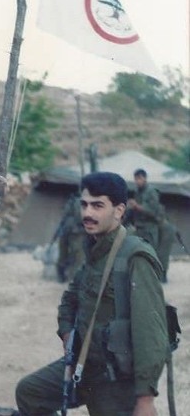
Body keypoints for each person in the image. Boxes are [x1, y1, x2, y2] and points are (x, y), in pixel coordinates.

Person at [15, 172, 168, 416]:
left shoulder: (134, 256)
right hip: (84, 365)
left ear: (119, 210)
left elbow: (150, 332)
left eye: (97, 206)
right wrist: (67, 333)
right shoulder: (96, 249)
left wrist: (145, 398)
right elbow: (70, 298)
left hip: (115, 380)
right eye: (84, 205)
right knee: (30, 392)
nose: (87, 213)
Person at [127, 169, 161, 250]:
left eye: (139, 178)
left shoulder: (152, 192)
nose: (137, 181)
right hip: (139, 228)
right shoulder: (137, 192)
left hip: (149, 229)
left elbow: (153, 212)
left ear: (145, 178)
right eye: (136, 179)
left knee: (149, 251)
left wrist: (136, 206)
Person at [56, 195, 86, 283]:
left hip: (68, 231)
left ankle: (63, 276)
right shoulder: (79, 203)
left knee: (65, 255)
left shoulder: (71, 202)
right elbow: (80, 218)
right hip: (75, 232)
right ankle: (73, 278)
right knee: (77, 256)